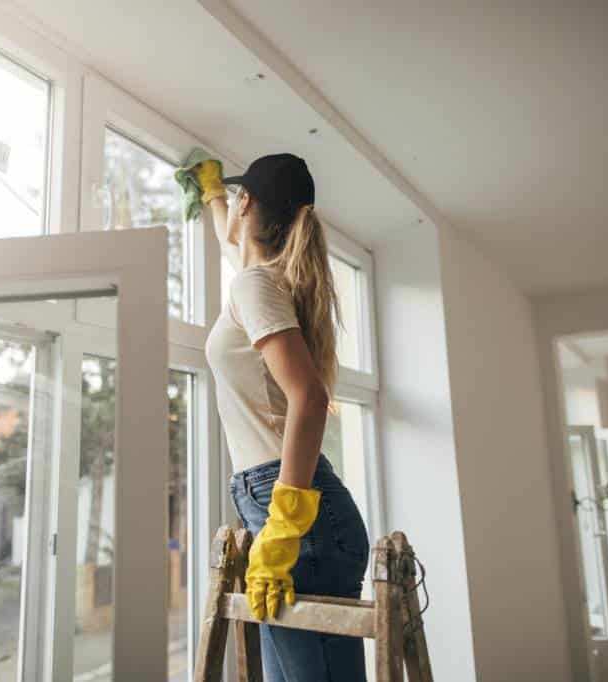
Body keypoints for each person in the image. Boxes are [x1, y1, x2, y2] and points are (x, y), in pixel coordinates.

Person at [196, 153, 370, 682]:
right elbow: (238, 246)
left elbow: (310, 399)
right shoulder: (263, 281)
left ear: (246, 203)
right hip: (300, 509)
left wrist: (284, 525)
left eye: (232, 198)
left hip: (294, 511)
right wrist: (210, 197)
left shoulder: (256, 286)